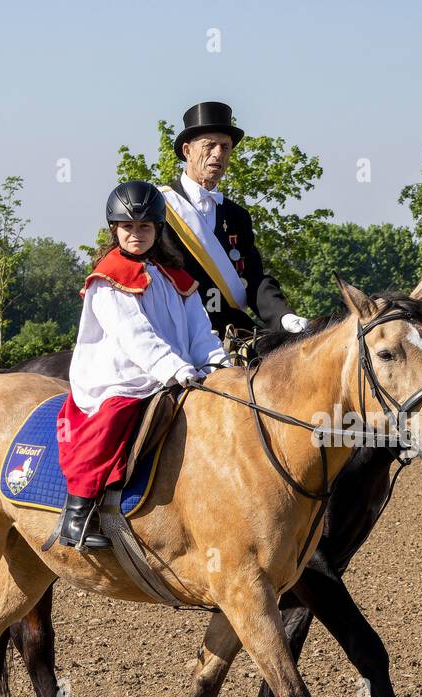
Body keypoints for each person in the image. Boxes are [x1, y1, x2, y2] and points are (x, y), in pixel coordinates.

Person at [54, 180, 228, 550]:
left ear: (157, 229)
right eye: (128, 227)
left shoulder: (175, 277)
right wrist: (173, 367)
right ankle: (77, 513)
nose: (136, 234)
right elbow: (135, 335)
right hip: (121, 378)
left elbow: (200, 330)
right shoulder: (108, 278)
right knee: (115, 418)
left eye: (145, 227)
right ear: (114, 229)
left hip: (176, 376)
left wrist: (217, 364)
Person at [159, 101, 310, 342]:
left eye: (225, 147)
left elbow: (253, 279)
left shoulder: (237, 215)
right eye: (209, 146)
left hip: (234, 331)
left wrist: (284, 317)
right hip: (179, 332)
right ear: (187, 150)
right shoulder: (160, 207)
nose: (218, 154)